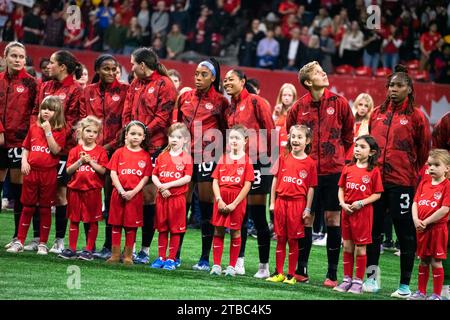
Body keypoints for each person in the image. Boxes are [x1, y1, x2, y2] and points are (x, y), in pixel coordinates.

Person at [365, 64, 431, 298]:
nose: (393, 89)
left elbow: (424, 152)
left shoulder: (417, 117)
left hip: (402, 183)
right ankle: (372, 280)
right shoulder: (377, 113)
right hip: (376, 183)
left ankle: (404, 286)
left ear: (409, 89)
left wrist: (412, 174)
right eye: (391, 85)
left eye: (399, 85)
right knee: (372, 233)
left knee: (405, 234)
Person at [286, 61, 354, 286]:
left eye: (322, 70)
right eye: (317, 72)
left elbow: (348, 136)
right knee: (306, 218)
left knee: (333, 219)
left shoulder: (340, 103)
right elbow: (291, 134)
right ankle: (301, 268)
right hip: (307, 173)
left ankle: (332, 273)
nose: (324, 73)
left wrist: (342, 162)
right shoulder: (298, 107)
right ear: (308, 82)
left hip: (334, 171)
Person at [122, 47, 177, 265]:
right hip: (132, 146)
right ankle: (126, 248)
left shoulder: (165, 84)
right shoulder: (135, 83)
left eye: (133, 63)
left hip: (154, 147)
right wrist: (130, 133)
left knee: (147, 198)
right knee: (127, 193)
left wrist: (140, 134)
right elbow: (127, 110)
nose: (131, 67)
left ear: (142, 65)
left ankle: (144, 249)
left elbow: (163, 118)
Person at [28, 50, 83, 254]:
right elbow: (35, 112)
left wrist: (55, 137)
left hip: (62, 151)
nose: (48, 66)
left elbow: (76, 120)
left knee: (60, 195)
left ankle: (59, 240)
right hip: (40, 148)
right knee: (36, 193)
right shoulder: (45, 86)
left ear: (62, 67)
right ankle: (36, 238)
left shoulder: (76, 90)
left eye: (52, 63)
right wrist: (38, 136)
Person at [177, 59, 229, 271]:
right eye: (197, 74)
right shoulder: (185, 97)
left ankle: (205, 258)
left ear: (213, 78)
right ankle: (175, 254)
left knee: (207, 209)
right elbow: (176, 125)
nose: (198, 78)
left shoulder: (221, 102)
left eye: (203, 75)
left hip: (208, 158)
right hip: (185, 158)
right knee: (181, 205)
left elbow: (225, 131)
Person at [223, 69, 275, 278]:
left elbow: (270, 130)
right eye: (224, 80)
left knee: (258, 216)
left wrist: (269, 162)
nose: (226, 83)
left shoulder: (256, 102)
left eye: (231, 80)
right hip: (237, 164)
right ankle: (239, 261)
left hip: (260, 162)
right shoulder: (230, 108)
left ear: (242, 81)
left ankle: (264, 266)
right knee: (239, 216)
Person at [80, 54, 129, 261]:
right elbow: (82, 120)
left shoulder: (125, 91)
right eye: (106, 69)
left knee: (111, 201)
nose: (111, 72)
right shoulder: (88, 91)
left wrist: (107, 147)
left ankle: (109, 245)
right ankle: (88, 246)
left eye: (114, 69)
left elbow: (125, 122)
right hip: (90, 152)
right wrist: (89, 147)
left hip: (112, 152)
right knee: (88, 199)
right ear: (98, 70)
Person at [6, 96, 66, 254]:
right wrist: (24, 161)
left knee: (45, 208)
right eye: (44, 108)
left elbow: (55, 150)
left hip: (48, 174)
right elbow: (26, 147)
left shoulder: (60, 130)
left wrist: (48, 132)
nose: (46, 111)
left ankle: (43, 243)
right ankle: (19, 241)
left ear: (57, 112)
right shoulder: (34, 127)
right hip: (32, 172)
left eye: (50, 109)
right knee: (27, 207)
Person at [1, 42, 39, 251]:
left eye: (21, 57)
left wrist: (29, 139)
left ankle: (18, 236)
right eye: (13, 56)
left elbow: (36, 112)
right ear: (5, 57)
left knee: (19, 193)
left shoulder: (32, 83)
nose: (17, 60)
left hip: (19, 143)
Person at [267, 124, 317, 285]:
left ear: (307, 141)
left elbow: (310, 188)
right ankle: (279, 272)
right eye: (293, 136)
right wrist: (273, 202)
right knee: (280, 238)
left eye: (299, 137)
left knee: (293, 240)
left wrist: (308, 209)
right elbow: (275, 180)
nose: (295, 140)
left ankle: (291, 274)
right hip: (281, 202)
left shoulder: (310, 163)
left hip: (297, 204)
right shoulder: (283, 157)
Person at [334, 135, 383, 294]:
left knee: (360, 249)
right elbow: (341, 188)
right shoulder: (347, 168)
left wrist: (361, 203)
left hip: (363, 214)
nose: (357, 149)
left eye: (362, 147)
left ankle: (357, 281)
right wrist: (342, 204)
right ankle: (347, 279)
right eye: (356, 146)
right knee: (347, 246)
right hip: (346, 212)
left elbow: (377, 194)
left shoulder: (374, 171)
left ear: (371, 152)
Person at [58, 116, 108, 260]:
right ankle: (71, 249)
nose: (91, 134)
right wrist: (80, 161)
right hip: (74, 190)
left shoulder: (101, 151)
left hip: (92, 191)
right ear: (81, 132)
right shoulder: (75, 151)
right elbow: (68, 170)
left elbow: (103, 171)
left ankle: (88, 250)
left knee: (92, 220)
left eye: (95, 132)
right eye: (88, 131)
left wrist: (91, 162)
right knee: (74, 219)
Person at [210, 125, 254, 277]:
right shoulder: (223, 158)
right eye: (231, 138)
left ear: (245, 141)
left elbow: (247, 185)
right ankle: (216, 265)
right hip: (221, 200)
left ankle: (231, 266)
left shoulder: (247, 161)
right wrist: (219, 200)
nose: (234, 141)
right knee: (218, 230)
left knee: (235, 232)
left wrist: (234, 204)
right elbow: (215, 181)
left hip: (236, 202)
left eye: (237, 138)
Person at [106, 120, 152, 265]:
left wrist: (133, 192)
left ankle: (127, 256)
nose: (135, 137)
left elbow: (145, 178)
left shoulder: (145, 156)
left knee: (131, 226)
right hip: (118, 194)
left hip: (135, 196)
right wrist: (120, 190)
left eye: (139, 134)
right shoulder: (118, 153)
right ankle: (114, 255)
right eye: (132, 133)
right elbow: (113, 173)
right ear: (126, 135)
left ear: (144, 137)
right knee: (116, 224)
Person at [150, 123, 193, 270]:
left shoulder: (186, 157)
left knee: (175, 229)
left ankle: (171, 259)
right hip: (162, 198)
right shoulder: (162, 156)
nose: (174, 139)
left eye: (178, 137)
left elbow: (187, 178)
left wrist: (167, 186)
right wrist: (161, 188)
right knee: (162, 228)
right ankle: (161, 257)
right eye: (172, 136)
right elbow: (154, 175)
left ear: (185, 140)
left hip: (177, 199)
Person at [409, 149, 450, 300]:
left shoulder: (447, 186)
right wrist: (415, 219)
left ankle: (437, 294)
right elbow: (415, 202)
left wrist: (425, 221)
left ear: (447, 168)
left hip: (437, 229)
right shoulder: (424, 183)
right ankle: (421, 292)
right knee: (423, 260)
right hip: (421, 229)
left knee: (435, 261)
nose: (431, 168)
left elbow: (445, 209)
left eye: (436, 165)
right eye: (429, 164)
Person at [345, 93, 374, 162]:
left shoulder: (370, 124)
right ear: (356, 105)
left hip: (360, 160)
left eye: (366, 106)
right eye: (360, 104)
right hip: (345, 158)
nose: (363, 108)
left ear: (369, 109)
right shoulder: (348, 121)